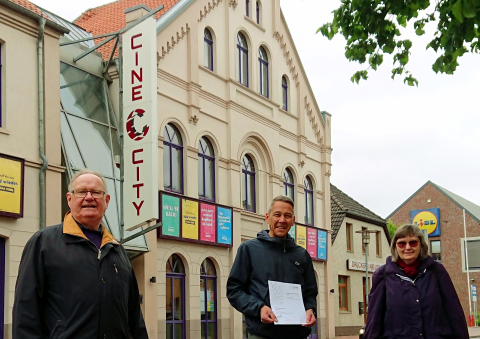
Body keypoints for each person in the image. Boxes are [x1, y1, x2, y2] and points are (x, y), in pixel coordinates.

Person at [12, 169, 148, 339]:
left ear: (106, 201)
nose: (89, 197)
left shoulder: (117, 250)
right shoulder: (43, 243)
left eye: (96, 192)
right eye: (81, 192)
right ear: (69, 199)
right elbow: (26, 312)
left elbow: (134, 316)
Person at [227, 195, 317, 339]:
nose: (282, 220)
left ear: (293, 221)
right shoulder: (249, 249)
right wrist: (259, 308)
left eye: (287, 216)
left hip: (297, 335)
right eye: (277, 215)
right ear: (267, 217)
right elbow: (234, 291)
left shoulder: (302, 255)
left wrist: (311, 309)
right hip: (262, 335)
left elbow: (310, 293)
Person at [364, 224, 469, 339]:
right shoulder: (383, 274)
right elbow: (374, 320)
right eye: (402, 243)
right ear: (395, 246)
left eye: (413, 242)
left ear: (421, 245)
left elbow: (454, 313)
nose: (408, 247)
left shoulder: (436, 271)